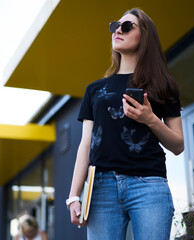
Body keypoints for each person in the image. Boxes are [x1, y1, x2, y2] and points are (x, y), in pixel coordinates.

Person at [66, 7, 184, 240]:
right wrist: (73, 196)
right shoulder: (95, 90)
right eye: (114, 26)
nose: (117, 30)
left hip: (148, 186)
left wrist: (150, 119)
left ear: (145, 36)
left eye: (127, 26)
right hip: (101, 189)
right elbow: (85, 144)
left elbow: (178, 145)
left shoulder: (163, 85)